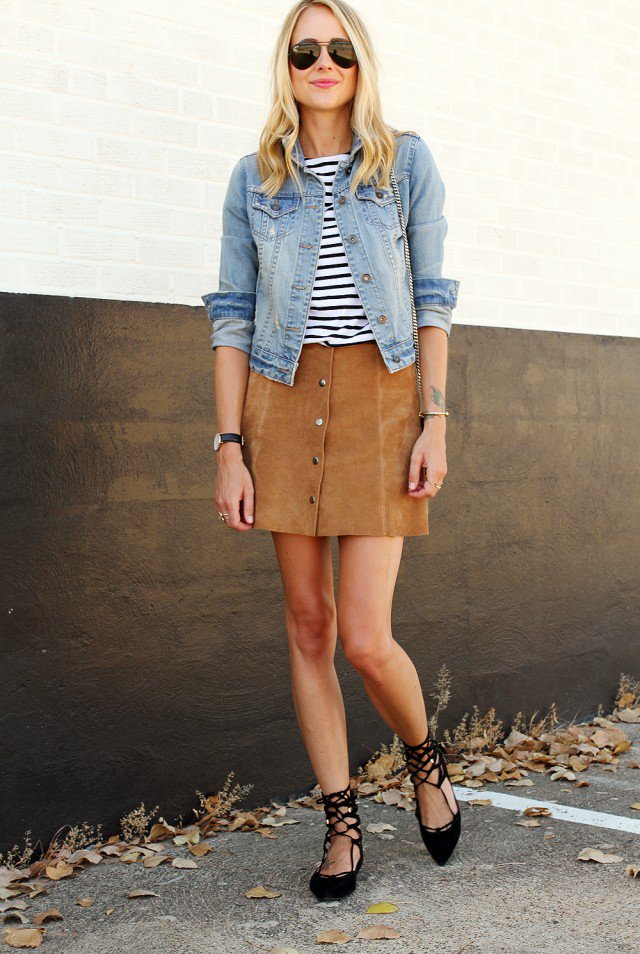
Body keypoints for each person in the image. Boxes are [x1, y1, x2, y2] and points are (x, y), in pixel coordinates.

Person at [202, 0, 462, 901]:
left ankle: (426, 759)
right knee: (307, 626)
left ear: (361, 64)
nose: (323, 62)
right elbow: (232, 316)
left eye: (339, 48)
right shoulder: (253, 179)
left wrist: (435, 419)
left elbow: (431, 297)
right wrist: (230, 444)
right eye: (305, 49)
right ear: (288, 64)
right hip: (280, 398)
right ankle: (341, 819)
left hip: (383, 400)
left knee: (363, 637)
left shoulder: (405, 162)